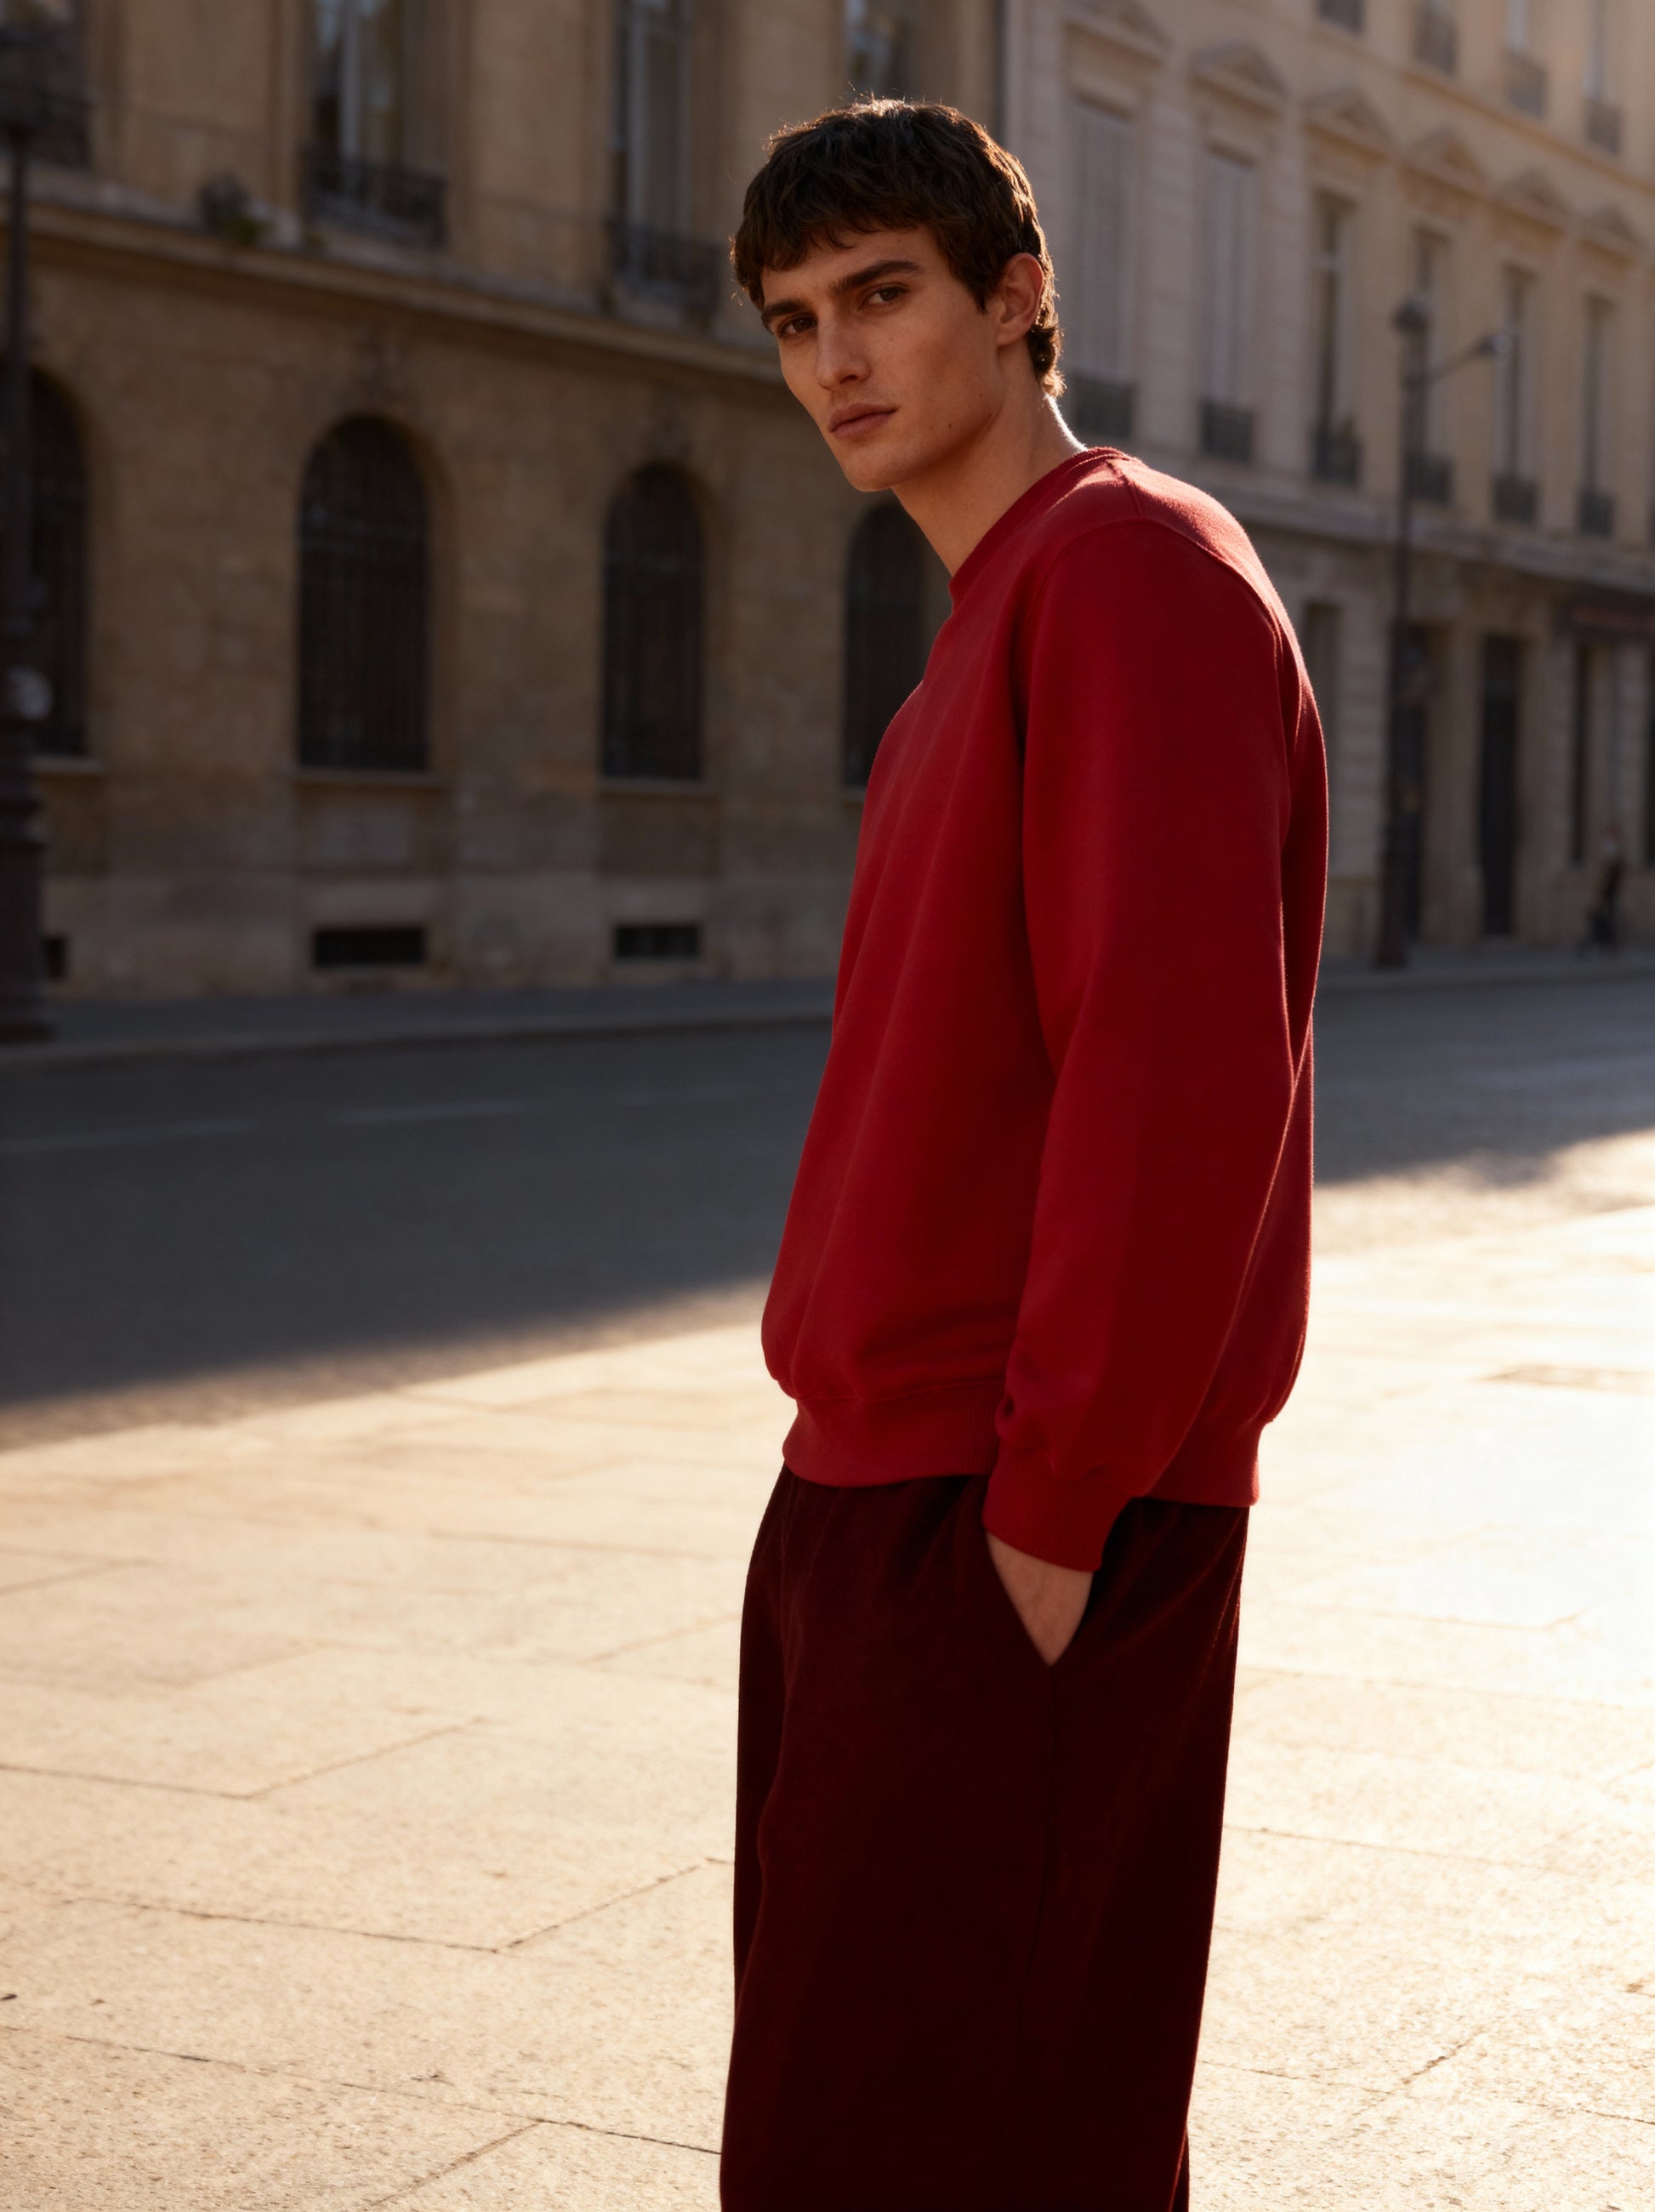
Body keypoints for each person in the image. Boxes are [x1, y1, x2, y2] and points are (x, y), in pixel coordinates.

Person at [722, 100, 1327, 2212]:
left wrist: (1051, 1515)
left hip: (1010, 1502)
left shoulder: (1131, 573)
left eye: (882, 294)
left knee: (951, 2133)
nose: (835, 361)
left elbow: (1180, 1081)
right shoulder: (966, 648)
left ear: (1017, 297)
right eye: (798, 321)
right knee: (864, 2120)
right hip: (868, 1486)